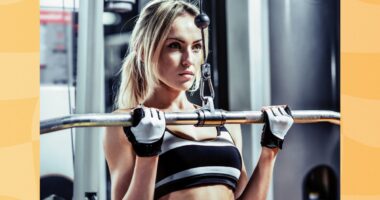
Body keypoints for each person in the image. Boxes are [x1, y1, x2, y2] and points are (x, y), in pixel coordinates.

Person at [103, 0, 294, 199]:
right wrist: (148, 152)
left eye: (196, 47)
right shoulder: (125, 124)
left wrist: (270, 149)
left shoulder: (225, 123)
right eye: (175, 46)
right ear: (143, 51)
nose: (189, 60)